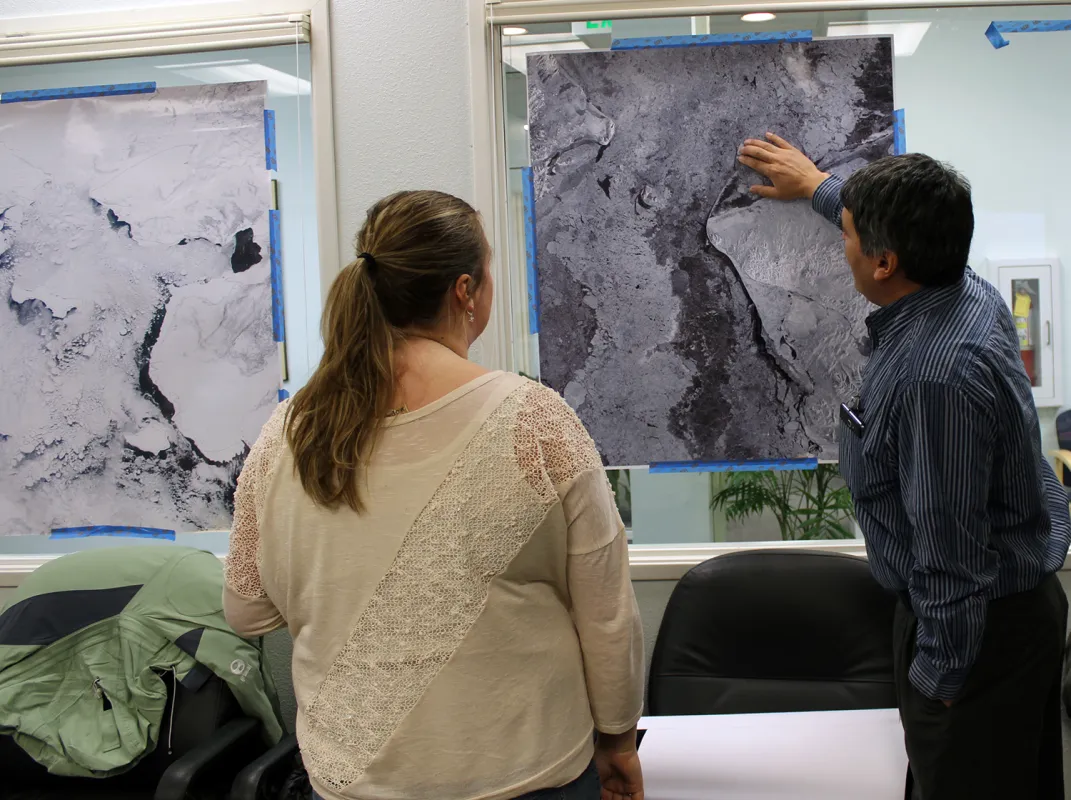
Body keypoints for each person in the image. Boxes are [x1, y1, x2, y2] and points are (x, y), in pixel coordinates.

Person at [223, 191, 645, 800]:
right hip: (526, 775)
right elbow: (606, 617)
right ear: (465, 291)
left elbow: (248, 611)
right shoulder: (535, 421)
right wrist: (617, 740)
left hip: (355, 779)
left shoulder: (289, 431)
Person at [739, 134, 1071, 799]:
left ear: (885, 262)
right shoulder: (963, 291)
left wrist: (942, 679)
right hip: (1008, 615)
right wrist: (819, 186)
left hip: (974, 637)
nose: (844, 245)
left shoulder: (934, 377)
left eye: (851, 236)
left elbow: (950, 549)